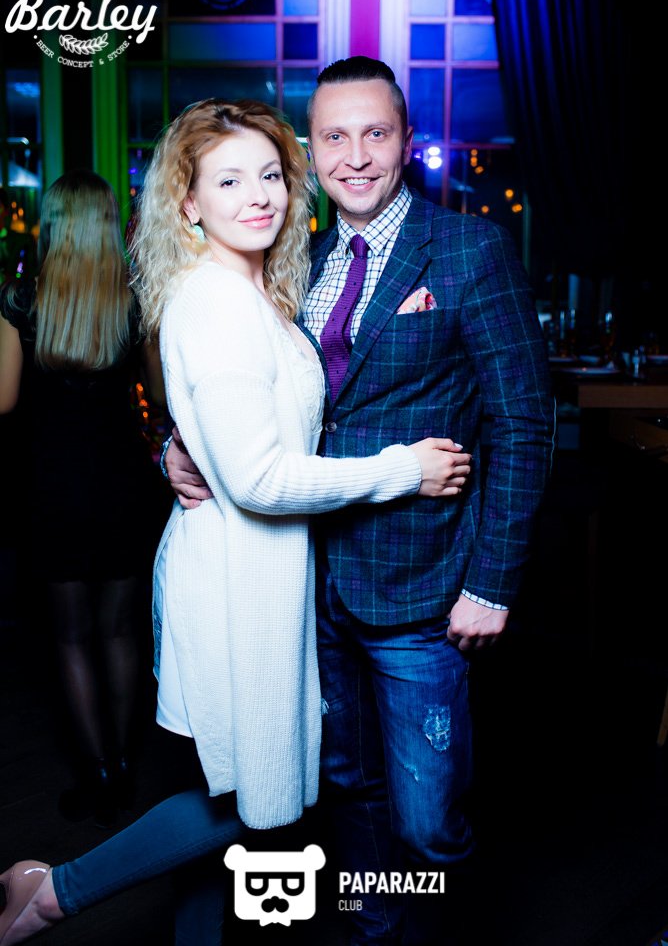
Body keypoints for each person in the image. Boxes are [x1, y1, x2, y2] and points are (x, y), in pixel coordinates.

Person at [0, 99, 471, 946]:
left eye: (269, 175)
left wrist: (181, 448)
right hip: (235, 582)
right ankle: (54, 892)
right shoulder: (216, 301)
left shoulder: (255, 290)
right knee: (258, 803)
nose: (258, 196)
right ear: (187, 202)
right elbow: (258, 479)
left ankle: (99, 905)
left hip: (261, 573)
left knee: (237, 797)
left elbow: (241, 435)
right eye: (228, 181)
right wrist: (407, 469)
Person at [164, 58, 555, 944]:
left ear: (407, 141)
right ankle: (376, 934)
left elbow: (524, 423)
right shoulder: (288, 255)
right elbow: (244, 395)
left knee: (426, 819)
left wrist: (492, 585)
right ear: (311, 150)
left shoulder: (468, 250)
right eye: (334, 137)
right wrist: (177, 449)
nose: (355, 156)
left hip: (424, 588)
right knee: (348, 792)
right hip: (307, 588)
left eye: (375, 133)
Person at [0, 170, 167, 829]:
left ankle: (96, 771)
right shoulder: (134, 302)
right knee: (121, 631)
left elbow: (4, 401)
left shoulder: (21, 299)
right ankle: (123, 768)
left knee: (70, 638)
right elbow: (161, 397)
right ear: (105, 224)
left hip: (50, 488)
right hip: (122, 484)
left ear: (53, 224)